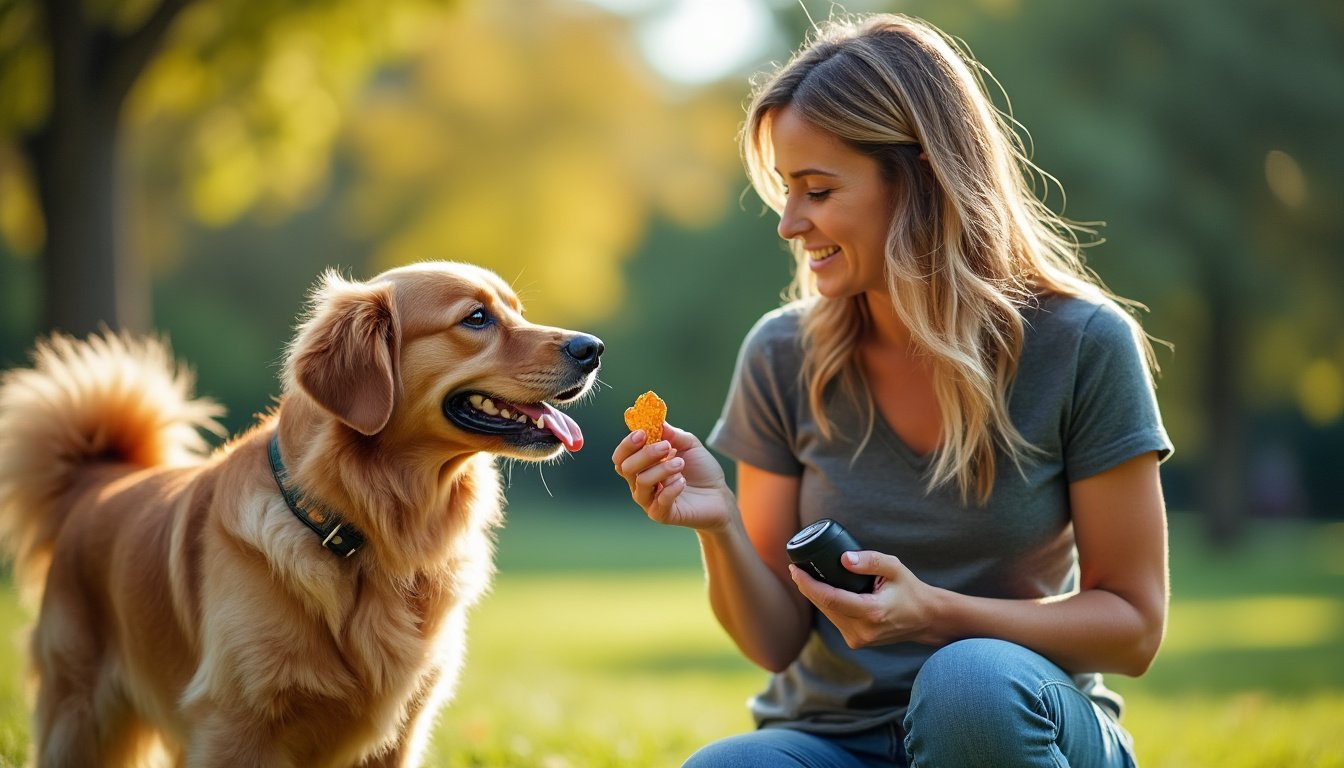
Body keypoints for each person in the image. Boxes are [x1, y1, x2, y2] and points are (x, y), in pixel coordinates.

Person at [611, 12, 1172, 768]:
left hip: (1014, 726)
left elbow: (1135, 627)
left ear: (918, 180)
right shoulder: (781, 356)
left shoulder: (1082, 344)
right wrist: (719, 528)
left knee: (968, 684)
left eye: (816, 189)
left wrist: (934, 614)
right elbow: (776, 642)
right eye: (786, 189)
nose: (788, 223)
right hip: (835, 740)